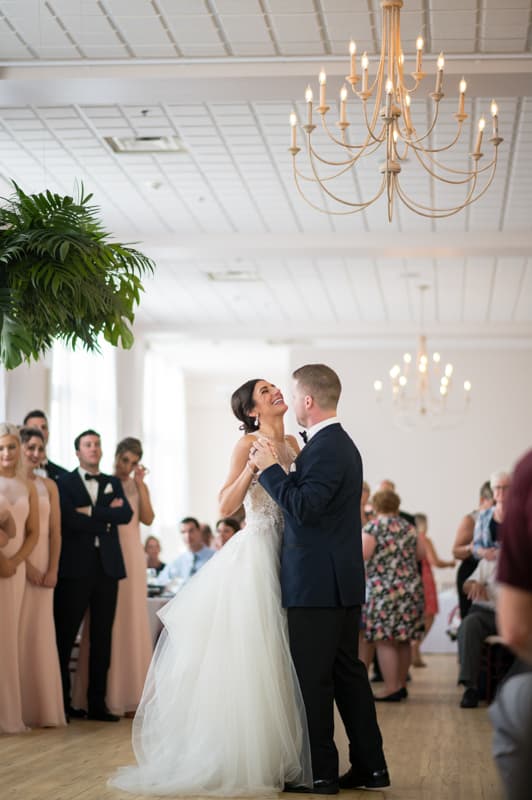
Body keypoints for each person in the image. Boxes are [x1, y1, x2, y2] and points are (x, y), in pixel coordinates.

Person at [109, 378, 312, 796]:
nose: (275, 392)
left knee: (289, 654)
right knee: (258, 655)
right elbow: (224, 505)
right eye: (265, 391)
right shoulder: (247, 444)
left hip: (290, 553)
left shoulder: (294, 441)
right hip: (256, 553)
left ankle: (292, 754)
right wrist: (255, 467)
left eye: (276, 387)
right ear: (252, 411)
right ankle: (253, 757)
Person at [251, 364, 389, 792]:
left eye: (293, 395)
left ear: (308, 401)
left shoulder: (329, 447)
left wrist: (271, 470)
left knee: (315, 680)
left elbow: (306, 510)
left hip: (317, 587)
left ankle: (321, 773)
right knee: (348, 678)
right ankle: (371, 769)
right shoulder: (332, 445)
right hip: (336, 582)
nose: (289, 403)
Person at [72, 437, 155, 717]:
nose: (127, 466)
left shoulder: (133, 485)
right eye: (124, 460)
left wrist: (141, 484)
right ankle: (95, 696)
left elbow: (147, 518)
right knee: (105, 626)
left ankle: (131, 696)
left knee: (131, 623)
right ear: (116, 456)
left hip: (132, 556)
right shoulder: (106, 483)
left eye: (133, 462)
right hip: (106, 555)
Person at [54, 429, 133, 723]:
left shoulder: (112, 482)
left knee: (102, 639)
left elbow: (125, 515)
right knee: (64, 637)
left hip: (107, 570)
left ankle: (97, 704)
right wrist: (103, 520)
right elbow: (68, 519)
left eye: (97, 444)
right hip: (74, 571)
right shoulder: (64, 483)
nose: (94, 449)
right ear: (77, 452)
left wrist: (90, 512)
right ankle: (60, 703)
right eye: (88, 445)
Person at [490, 449, 532, 800]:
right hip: (481, 592)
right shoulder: (481, 519)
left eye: (506, 487)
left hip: (505, 600)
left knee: (518, 701)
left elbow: (515, 628)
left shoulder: (528, 472)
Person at [18, 427, 66, 728]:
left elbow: (55, 532)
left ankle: (41, 708)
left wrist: (52, 568)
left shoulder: (49, 485)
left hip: (46, 564)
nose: (36, 453)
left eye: (40, 448)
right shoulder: (8, 483)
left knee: (40, 633)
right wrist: (27, 567)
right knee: (16, 633)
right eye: (31, 447)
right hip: (17, 565)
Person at [359, 490, 425, 701]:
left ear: (376, 507)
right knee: (404, 640)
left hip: (383, 592)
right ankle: (402, 684)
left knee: (385, 641)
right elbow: (421, 555)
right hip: (410, 590)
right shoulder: (409, 528)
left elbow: (363, 554)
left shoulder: (373, 527)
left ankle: (391, 687)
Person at [0, 423, 40, 734]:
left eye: (11, 447)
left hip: (15, 571)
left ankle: (9, 714)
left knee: (9, 640)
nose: (6, 453)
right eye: (1, 447)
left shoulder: (28, 486)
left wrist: (14, 560)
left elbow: (34, 532)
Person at [411, 512, 455, 668]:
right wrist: (450, 564)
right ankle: (415, 647)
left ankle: (415, 650)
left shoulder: (411, 538)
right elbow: (434, 561)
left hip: (413, 579)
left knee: (417, 616)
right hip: (425, 579)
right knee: (429, 615)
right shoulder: (424, 539)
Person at [457, 555, 499, 708]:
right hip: (487, 612)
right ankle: (470, 688)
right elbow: (466, 585)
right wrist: (473, 584)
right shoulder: (490, 560)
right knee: (469, 624)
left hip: (519, 614)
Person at [453, 480, 494, 620]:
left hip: (493, 572)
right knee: (469, 618)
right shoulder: (471, 520)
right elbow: (455, 551)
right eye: (494, 503)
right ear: (482, 500)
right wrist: (471, 548)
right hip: (471, 570)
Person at [155, 517, 214, 588]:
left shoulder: (214, 557)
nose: (187, 536)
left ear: (199, 531)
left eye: (191, 531)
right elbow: (160, 581)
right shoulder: (177, 562)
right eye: (183, 532)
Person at [22, 409, 67, 481]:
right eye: (35, 427)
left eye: (44, 427)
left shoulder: (64, 475)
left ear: (48, 433)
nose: (40, 431)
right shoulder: (10, 473)